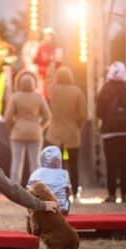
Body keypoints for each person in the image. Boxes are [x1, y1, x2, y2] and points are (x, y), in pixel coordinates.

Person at [46, 66, 87, 199]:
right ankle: (74, 191)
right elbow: (83, 114)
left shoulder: (53, 90)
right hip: (72, 132)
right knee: (73, 164)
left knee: (57, 165)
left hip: (55, 133)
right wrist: (78, 125)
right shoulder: (77, 92)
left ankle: (58, 191)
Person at [97, 61, 126, 203]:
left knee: (111, 163)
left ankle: (112, 194)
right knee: (124, 163)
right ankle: (125, 195)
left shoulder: (105, 90)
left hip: (109, 132)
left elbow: (99, 112)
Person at [4, 71, 51, 185]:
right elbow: (48, 116)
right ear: (33, 83)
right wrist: (40, 127)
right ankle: (37, 188)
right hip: (35, 133)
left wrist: (12, 128)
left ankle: (14, 188)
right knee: (35, 163)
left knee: (16, 162)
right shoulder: (39, 97)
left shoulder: (15, 97)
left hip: (18, 133)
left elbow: (8, 117)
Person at [28, 146, 72, 215]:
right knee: (66, 198)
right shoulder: (64, 173)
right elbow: (69, 192)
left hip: (40, 209)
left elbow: (29, 191)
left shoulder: (35, 173)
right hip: (60, 209)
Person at [34, 27, 56, 99]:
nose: (48, 37)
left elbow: (58, 62)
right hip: (41, 76)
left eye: (50, 36)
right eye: (46, 35)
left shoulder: (54, 48)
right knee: (42, 96)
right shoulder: (40, 47)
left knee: (50, 96)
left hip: (51, 77)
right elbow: (35, 60)